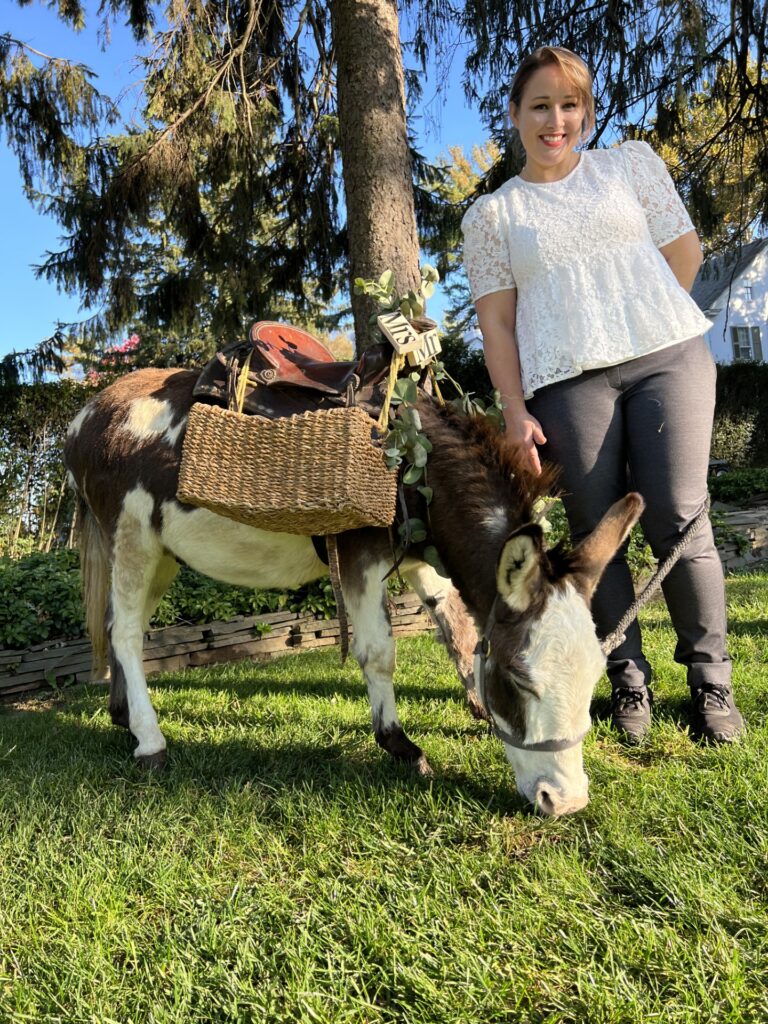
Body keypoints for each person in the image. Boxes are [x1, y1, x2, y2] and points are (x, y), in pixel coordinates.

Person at [461, 45, 744, 745]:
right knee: (596, 537)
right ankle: (628, 679)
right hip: (566, 382)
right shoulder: (494, 217)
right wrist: (516, 413)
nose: (556, 121)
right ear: (515, 116)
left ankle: (711, 682)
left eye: (570, 106)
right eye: (540, 106)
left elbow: (685, 255)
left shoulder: (631, 165)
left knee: (679, 518)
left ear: (585, 113)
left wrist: (634, 321)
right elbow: (498, 324)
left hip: (666, 359)